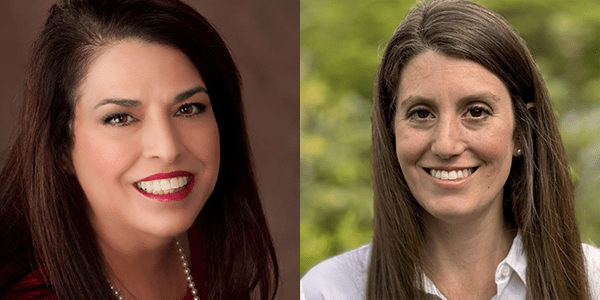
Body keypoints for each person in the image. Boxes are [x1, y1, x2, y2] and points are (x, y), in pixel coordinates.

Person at [301, 0, 600, 299]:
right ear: (391, 131)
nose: (446, 144)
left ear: (521, 132)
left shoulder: (593, 282)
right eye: (421, 113)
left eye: (477, 112)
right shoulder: (329, 291)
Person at [0, 0, 279, 299]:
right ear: (61, 146)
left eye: (188, 108)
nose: (168, 148)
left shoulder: (212, 239)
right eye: (120, 118)